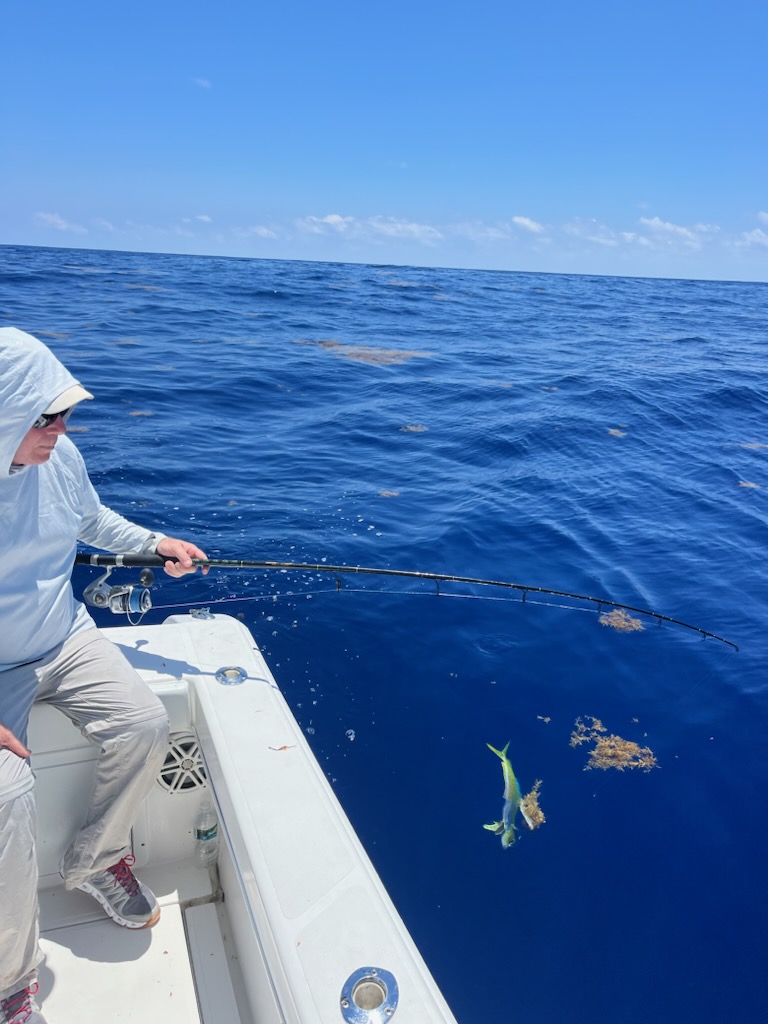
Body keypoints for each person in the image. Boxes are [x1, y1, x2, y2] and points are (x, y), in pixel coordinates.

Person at [0, 327, 209, 1024]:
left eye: (64, 414)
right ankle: (11, 985)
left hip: (63, 637)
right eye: (46, 415)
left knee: (147, 722)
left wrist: (156, 544)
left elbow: (90, 519)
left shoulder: (59, 457)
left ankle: (94, 860)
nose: (62, 427)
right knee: (7, 795)